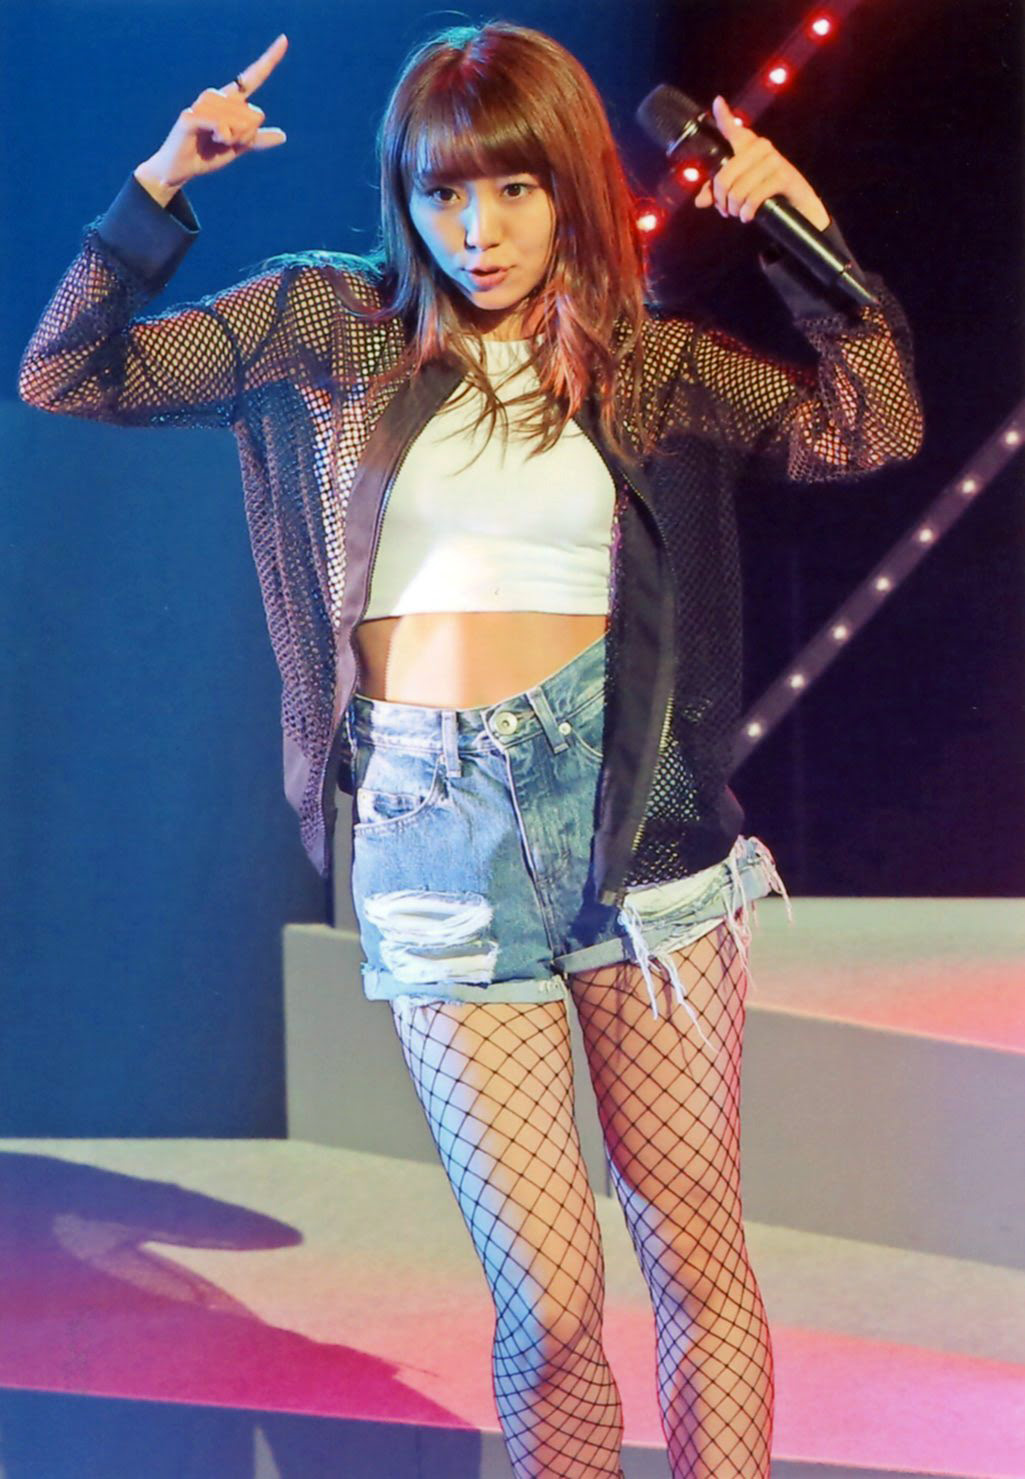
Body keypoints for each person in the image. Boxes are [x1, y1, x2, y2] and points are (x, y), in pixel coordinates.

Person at [18, 21, 924, 1477]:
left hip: (641, 832)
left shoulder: (647, 364)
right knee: (549, 1306)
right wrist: (159, 186)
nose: (477, 230)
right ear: (405, 194)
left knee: (694, 1252)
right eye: (443, 193)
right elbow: (69, 373)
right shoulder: (329, 326)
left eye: (513, 189)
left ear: (569, 187)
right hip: (435, 834)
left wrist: (802, 237)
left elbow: (866, 427)